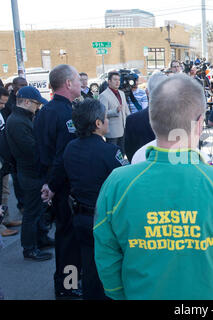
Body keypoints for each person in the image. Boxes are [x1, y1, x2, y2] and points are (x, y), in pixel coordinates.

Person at [93, 74, 213, 300]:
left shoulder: (117, 184)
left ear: (152, 119)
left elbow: (107, 255)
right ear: (200, 123)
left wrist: (120, 295)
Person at [63, 98, 127, 300]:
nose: (108, 121)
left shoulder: (70, 147)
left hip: (80, 217)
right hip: (103, 221)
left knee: (89, 266)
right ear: (98, 124)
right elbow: (125, 185)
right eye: (106, 118)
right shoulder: (111, 152)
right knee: (109, 268)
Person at [34, 64, 83, 298]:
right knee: (69, 241)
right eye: (78, 80)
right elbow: (63, 156)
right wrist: (52, 186)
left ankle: (67, 284)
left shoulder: (45, 110)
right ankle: (68, 286)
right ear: (68, 84)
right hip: (62, 187)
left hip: (52, 183)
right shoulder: (65, 114)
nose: (82, 84)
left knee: (66, 237)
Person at [5, 86, 54, 261]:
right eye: (35, 103)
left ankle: (41, 239)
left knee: (39, 209)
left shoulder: (23, 118)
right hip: (30, 172)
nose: (37, 107)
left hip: (33, 172)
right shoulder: (17, 122)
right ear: (26, 102)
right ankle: (30, 248)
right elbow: (31, 149)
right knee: (32, 213)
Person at [124, 72, 167, 163]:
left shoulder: (132, 120)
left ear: (147, 91)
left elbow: (130, 153)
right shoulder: (181, 119)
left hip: (141, 170)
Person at [0, 87, 21, 237]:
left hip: (3, 160)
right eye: (1, 103)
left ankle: (5, 219)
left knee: (5, 191)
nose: (3, 106)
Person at [99, 71, 130, 153]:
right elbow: (102, 113)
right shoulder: (104, 95)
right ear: (109, 81)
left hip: (123, 129)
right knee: (113, 155)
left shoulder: (122, 93)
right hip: (112, 132)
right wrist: (115, 111)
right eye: (115, 80)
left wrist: (130, 120)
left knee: (122, 153)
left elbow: (126, 110)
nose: (117, 82)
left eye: (119, 80)